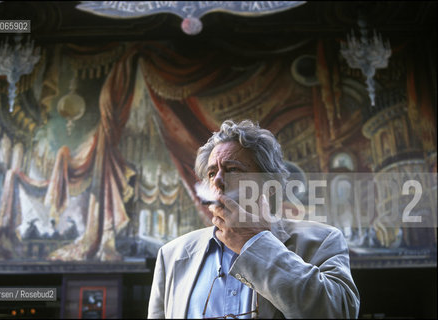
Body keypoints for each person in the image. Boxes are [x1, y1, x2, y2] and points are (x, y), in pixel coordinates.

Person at [148, 120, 360, 319]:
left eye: (232, 170)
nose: (218, 181)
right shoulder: (171, 255)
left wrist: (255, 241)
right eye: (212, 173)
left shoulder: (322, 241)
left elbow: (338, 312)